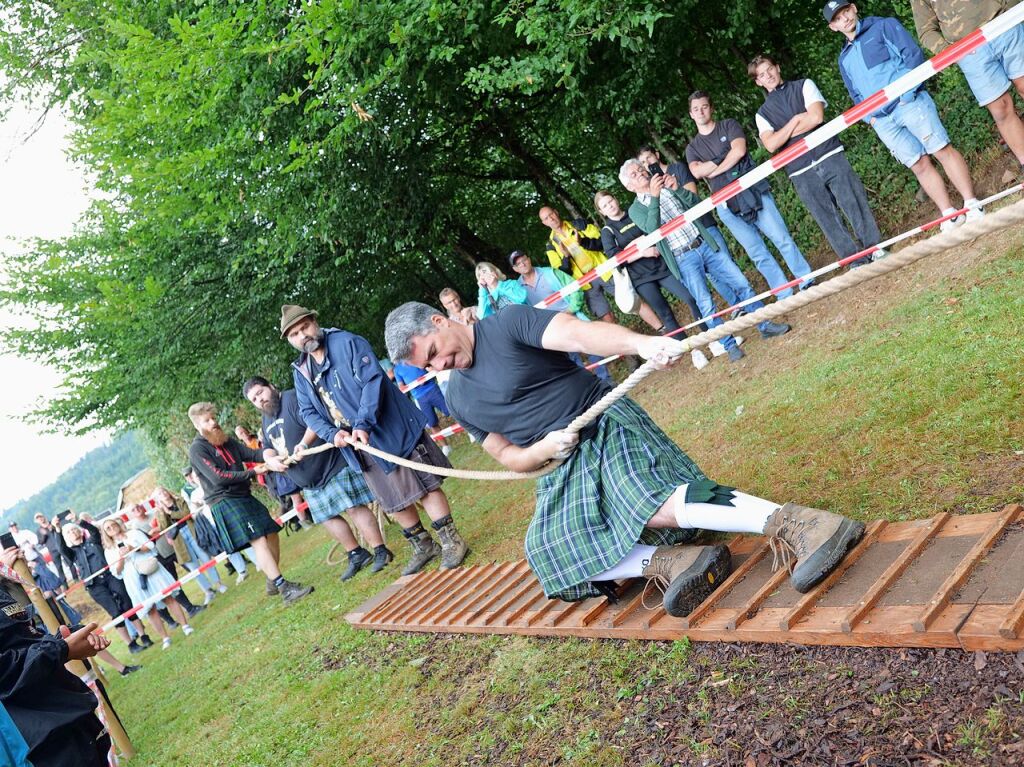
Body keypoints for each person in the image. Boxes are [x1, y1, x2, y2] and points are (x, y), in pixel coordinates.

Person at [384, 302, 865, 615]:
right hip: (564, 462)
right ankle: (677, 561)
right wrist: (541, 451)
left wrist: (640, 344)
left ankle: (802, 524)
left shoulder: (507, 324)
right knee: (548, 552)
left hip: (603, 421)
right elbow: (507, 455)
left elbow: (579, 334)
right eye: (425, 367)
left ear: (440, 323)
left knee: (647, 503)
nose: (437, 367)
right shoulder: (461, 399)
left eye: (433, 353)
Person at [283, 304, 470, 573]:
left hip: (392, 429)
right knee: (392, 497)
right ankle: (423, 545)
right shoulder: (301, 370)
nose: (303, 336)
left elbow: (373, 382)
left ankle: (452, 541)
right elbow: (309, 412)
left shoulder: (347, 342)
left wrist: (363, 424)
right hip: (358, 446)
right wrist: (332, 433)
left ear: (315, 321)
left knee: (424, 486)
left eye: (305, 328)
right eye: (295, 334)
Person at [826, 2, 984, 228]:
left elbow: (913, 55)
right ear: (833, 27)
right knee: (918, 165)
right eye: (838, 18)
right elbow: (855, 94)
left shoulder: (883, 26)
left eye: (845, 12)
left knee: (941, 149)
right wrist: (870, 119)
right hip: (883, 122)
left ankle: (972, 203)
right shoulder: (844, 58)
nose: (845, 19)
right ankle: (950, 214)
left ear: (853, 9)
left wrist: (907, 95)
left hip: (909, 104)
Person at [619, 160, 793, 362]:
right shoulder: (635, 209)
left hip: (704, 244)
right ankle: (729, 346)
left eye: (641, 169)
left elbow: (697, 205)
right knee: (706, 305)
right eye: (634, 174)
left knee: (741, 284)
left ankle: (764, 325)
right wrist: (655, 197)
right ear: (628, 186)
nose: (640, 172)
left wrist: (677, 189)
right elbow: (651, 229)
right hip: (682, 258)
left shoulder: (666, 185)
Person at [243, 376, 396, 581]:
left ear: (270, 386)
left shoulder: (292, 398)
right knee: (327, 517)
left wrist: (304, 444)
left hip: (330, 465)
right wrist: (271, 460)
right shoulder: (266, 418)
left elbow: (315, 421)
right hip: (309, 481)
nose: (259, 400)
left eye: (260, 392)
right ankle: (357, 554)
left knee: (354, 507)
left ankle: (380, 551)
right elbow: (268, 447)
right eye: (254, 399)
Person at [749, 53, 884, 268]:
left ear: (778, 67)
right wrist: (795, 120)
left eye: (770, 70)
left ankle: (874, 248)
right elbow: (771, 145)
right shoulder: (761, 114)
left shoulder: (804, 85)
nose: (769, 76)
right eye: (762, 75)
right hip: (799, 169)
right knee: (826, 218)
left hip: (828, 152)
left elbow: (816, 118)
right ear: (758, 81)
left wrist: (784, 134)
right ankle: (854, 260)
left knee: (853, 201)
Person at [685, 91, 815, 299]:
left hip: (752, 189)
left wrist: (714, 169)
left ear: (711, 108)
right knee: (757, 253)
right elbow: (697, 172)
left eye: (704, 106)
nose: (700, 111)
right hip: (726, 204)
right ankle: (783, 292)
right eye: (695, 109)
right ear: (691, 114)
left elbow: (738, 151)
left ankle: (805, 278)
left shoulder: (728, 125)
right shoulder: (692, 148)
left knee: (781, 237)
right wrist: (723, 159)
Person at [187, 402, 313, 604]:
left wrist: (271, 456)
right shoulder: (197, 449)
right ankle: (284, 588)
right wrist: (255, 471)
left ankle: (273, 581)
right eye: (207, 421)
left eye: (213, 418)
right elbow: (219, 477)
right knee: (258, 540)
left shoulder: (224, 439)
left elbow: (252, 454)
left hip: (242, 495)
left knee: (271, 532)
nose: (213, 423)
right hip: (224, 500)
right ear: (197, 425)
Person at [0, 546, 115, 767]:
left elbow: (21, 642)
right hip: (35, 738)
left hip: (64, 713)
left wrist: (62, 640)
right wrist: (61, 649)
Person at [911, 0, 1024, 176]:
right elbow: (926, 31)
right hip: (969, 50)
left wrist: (1012, 11)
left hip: (1003, 25)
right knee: (1000, 109)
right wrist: (950, 52)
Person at [635, 145, 740, 306]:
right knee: (713, 279)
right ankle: (737, 307)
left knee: (729, 268)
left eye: (649, 158)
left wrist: (675, 188)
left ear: (656, 154)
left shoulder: (677, 168)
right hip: (684, 245)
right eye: (643, 162)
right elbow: (652, 227)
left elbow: (692, 199)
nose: (647, 163)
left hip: (704, 227)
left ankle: (749, 305)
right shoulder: (652, 190)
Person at [540, 205, 663, 330]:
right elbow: (560, 272)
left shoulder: (579, 224)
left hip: (604, 270)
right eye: (546, 218)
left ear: (556, 212)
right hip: (584, 283)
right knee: (606, 316)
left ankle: (662, 328)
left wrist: (583, 241)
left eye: (551, 214)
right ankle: (620, 348)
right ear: (544, 223)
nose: (551, 218)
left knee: (633, 300)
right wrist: (566, 257)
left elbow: (602, 242)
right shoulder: (551, 245)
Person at [508, 249, 617, 381]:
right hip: (550, 329)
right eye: (518, 264)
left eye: (524, 259)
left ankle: (606, 381)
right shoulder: (516, 290)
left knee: (591, 347)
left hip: (571, 317)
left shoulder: (550, 273)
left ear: (529, 259)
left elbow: (575, 287)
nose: (523, 264)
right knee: (570, 360)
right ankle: (587, 386)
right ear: (515, 269)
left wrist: (571, 309)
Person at [100, 517, 194, 649]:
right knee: (150, 609)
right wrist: (121, 558)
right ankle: (165, 638)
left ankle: (185, 626)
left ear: (118, 524)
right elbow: (116, 572)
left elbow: (151, 546)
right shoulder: (109, 550)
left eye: (113, 525)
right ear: (106, 533)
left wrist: (134, 548)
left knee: (168, 598)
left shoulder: (134, 533)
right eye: (108, 528)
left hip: (151, 570)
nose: (112, 528)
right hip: (132, 579)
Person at [61, 520, 154, 654]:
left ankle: (143, 635)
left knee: (127, 606)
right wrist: (57, 531)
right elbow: (61, 549)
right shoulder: (72, 553)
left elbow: (93, 530)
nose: (73, 532)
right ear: (67, 537)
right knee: (115, 612)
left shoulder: (93, 540)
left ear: (80, 530)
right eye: (69, 532)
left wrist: (79, 521)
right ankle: (131, 644)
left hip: (110, 577)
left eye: (74, 529)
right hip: (95, 586)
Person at [124, 503, 203, 618]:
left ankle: (209, 590)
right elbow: (143, 544)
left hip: (174, 548)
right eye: (133, 509)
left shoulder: (155, 514)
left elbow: (168, 525)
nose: (137, 509)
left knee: (194, 569)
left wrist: (160, 528)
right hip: (160, 556)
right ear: (131, 514)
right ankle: (189, 608)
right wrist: (151, 535)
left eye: (138, 506)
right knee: (173, 583)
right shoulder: (135, 528)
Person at [151, 487, 229, 603]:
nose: (163, 494)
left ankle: (218, 584)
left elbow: (186, 513)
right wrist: (162, 513)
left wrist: (170, 513)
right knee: (193, 567)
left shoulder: (179, 500)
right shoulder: (159, 512)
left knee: (206, 559)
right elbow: (163, 527)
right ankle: (208, 591)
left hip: (191, 531)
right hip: (179, 539)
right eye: (160, 494)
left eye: (164, 491)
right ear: (157, 499)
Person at [181, 469, 253, 584]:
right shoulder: (194, 495)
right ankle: (241, 570)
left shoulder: (213, 484)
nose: (197, 478)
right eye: (195, 477)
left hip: (225, 517)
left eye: (198, 475)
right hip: (212, 524)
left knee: (243, 540)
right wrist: (196, 505)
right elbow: (194, 514)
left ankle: (257, 561)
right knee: (228, 547)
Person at [392, 362, 457, 452]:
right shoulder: (397, 369)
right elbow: (401, 386)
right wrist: (405, 388)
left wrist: (424, 377)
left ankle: (470, 431)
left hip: (432, 389)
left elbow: (430, 367)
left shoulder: (411, 357)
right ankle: (446, 447)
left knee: (452, 411)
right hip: (419, 398)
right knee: (431, 423)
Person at [33, 514, 76, 589]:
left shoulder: (52, 522)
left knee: (69, 561)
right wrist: (44, 535)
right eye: (38, 518)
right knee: (59, 567)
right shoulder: (39, 530)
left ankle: (75, 578)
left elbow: (60, 530)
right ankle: (65, 584)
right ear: (36, 521)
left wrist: (53, 527)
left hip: (61, 545)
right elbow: (40, 542)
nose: (40, 519)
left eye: (41, 517)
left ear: (44, 517)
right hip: (52, 550)